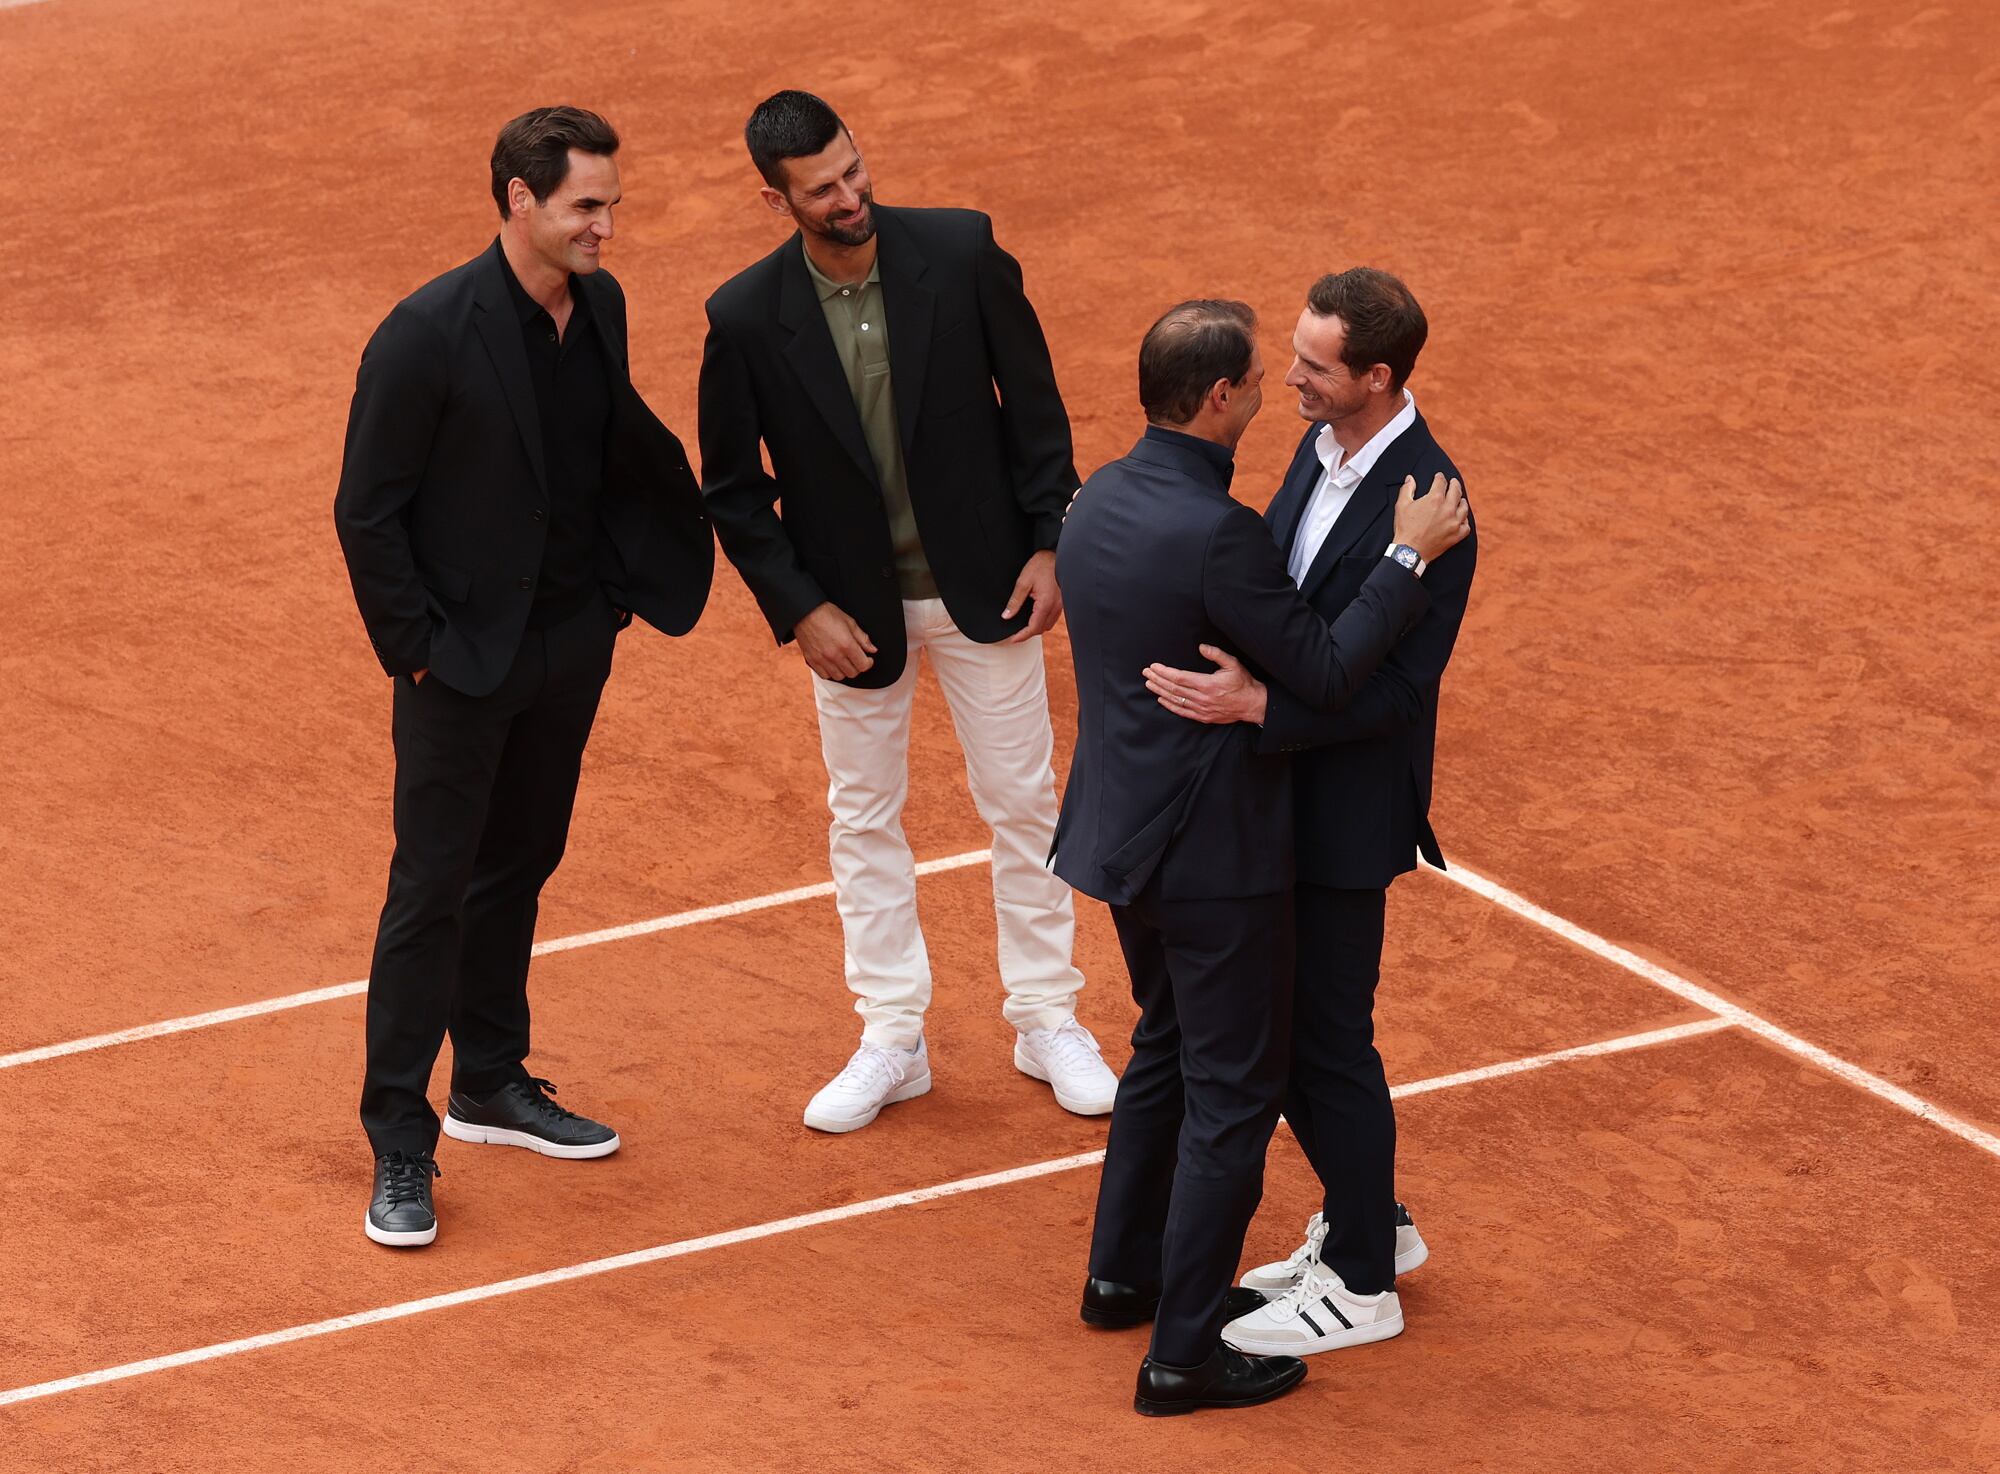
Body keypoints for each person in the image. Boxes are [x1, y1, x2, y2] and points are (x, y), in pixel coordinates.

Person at [1053, 299, 1468, 1414]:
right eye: (1275, 365)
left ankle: (1135, 1274)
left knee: (1227, 1048)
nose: (1289, 380)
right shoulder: (1247, 506)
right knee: (1242, 1084)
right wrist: (1394, 563)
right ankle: (1186, 1345)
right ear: (1219, 397)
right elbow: (1317, 660)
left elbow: (1379, 689)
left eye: (1313, 363)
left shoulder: (1096, 495)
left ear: (1375, 375)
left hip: (1158, 827)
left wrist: (1257, 701)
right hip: (1219, 845)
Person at [698, 90, 1117, 1133]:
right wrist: (800, 608)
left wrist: (1047, 542)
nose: (849, 196)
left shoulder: (963, 253)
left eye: (851, 171)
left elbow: (1035, 409)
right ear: (774, 198)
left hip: (988, 589)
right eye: (821, 189)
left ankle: (1044, 1016)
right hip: (850, 619)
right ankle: (893, 1035)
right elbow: (732, 491)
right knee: (863, 821)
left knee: (1024, 804)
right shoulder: (744, 318)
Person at [333, 106, 712, 1247]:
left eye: (610, 202)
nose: (607, 225)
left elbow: (590, 461)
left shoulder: (599, 306)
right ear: (517, 200)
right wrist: (419, 650)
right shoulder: (425, 335)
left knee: (521, 860)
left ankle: (490, 1076)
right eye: (585, 206)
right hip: (457, 662)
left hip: (564, 644)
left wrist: (601, 605)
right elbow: (367, 512)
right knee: (430, 890)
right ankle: (402, 1141)